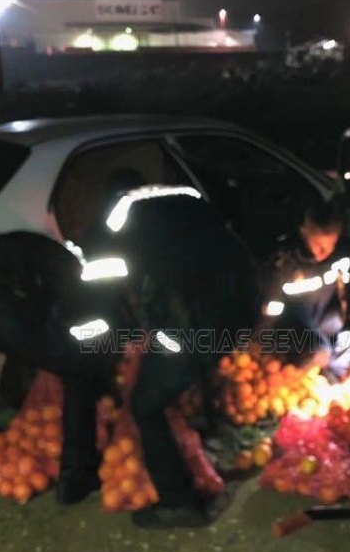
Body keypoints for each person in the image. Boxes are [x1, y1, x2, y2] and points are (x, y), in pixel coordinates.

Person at [76, 189, 259, 528]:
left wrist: (90, 338)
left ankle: (177, 502)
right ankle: (209, 428)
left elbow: (104, 308)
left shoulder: (110, 235)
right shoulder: (182, 204)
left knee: (145, 406)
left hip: (187, 328)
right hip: (233, 322)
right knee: (198, 365)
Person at [0, 231, 123, 506]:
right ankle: (77, 477)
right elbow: (83, 317)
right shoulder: (68, 265)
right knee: (78, 370)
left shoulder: (30, 247)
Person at [255, 202, 350, 380]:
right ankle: (298, 380)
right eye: (318, 244)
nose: (324, 251)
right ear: (304, 232)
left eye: (331, 244)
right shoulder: (286, 262)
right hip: (295, 324)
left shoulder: (345, 253)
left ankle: (335, 374)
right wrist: (258, 338)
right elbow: (272, 310)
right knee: (319, 352)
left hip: (328, 317)